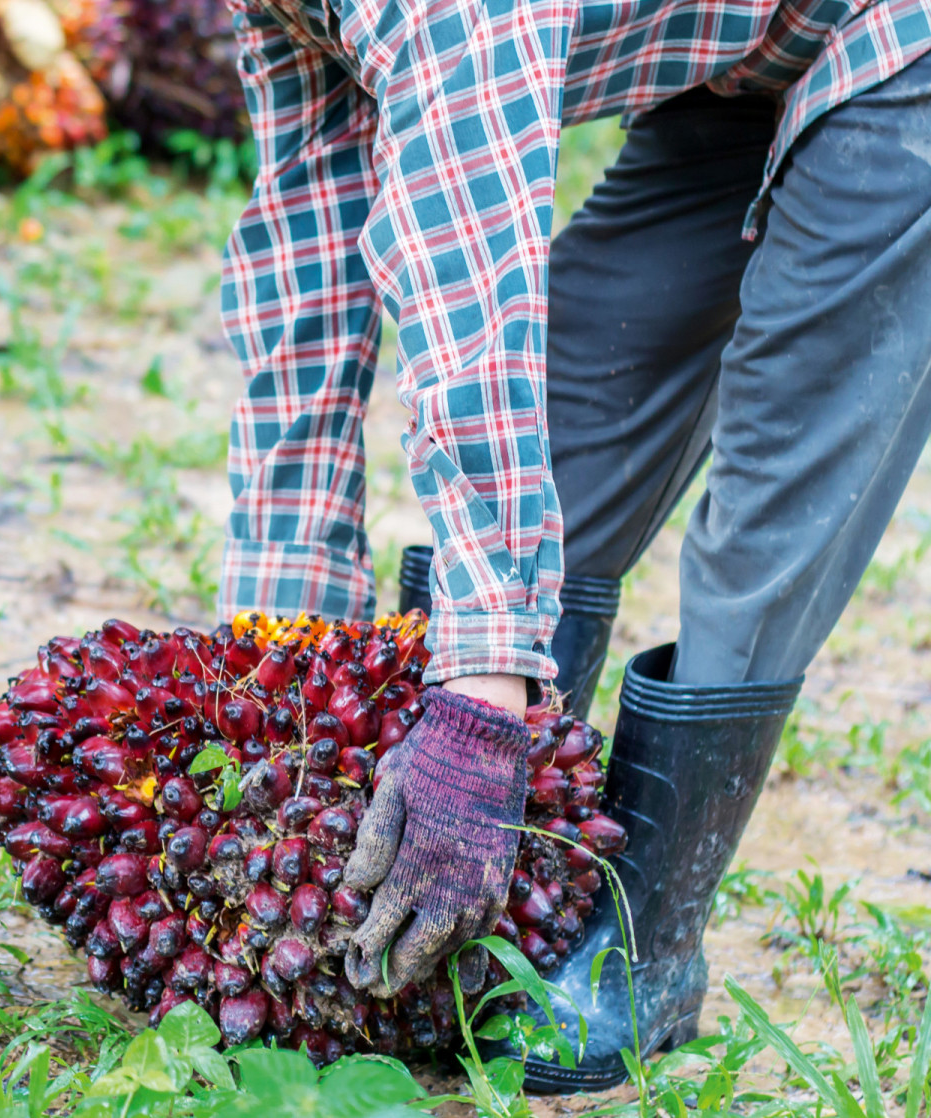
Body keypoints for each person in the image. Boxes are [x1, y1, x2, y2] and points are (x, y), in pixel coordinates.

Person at [216, 0, 931, 1092]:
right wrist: (280, 663)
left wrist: (478, 709)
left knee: (782, 454)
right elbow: (303, 284)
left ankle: (649, 948)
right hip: (727, 63)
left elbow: (474, 311)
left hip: (898, 44)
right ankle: (532, 871)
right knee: (578, 400)